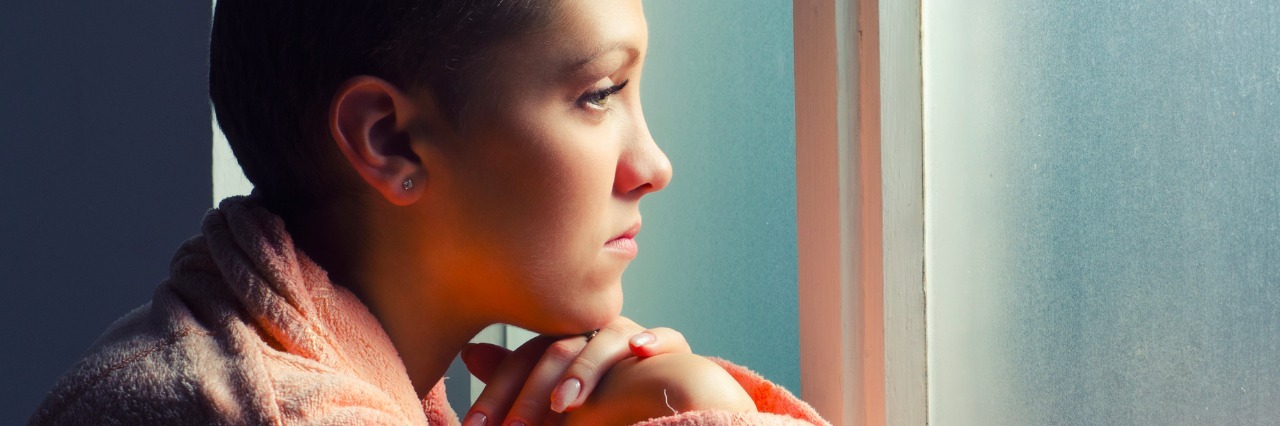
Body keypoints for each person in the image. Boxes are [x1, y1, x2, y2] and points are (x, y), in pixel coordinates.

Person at [29, 0, 829, 424]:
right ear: (389, 142)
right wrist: (700, 408)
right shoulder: (267, 411)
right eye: (599, 94)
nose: (654, 167)